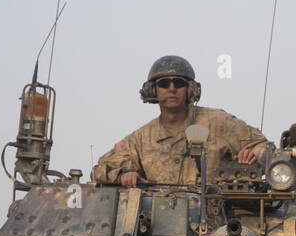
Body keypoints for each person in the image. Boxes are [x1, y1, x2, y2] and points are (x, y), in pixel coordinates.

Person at [91, 55, 270, 188]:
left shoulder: (219, 123)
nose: (171, 88)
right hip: (159, 223)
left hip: (219, 222)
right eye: (164, 84)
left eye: (178, 83)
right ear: (153, 91)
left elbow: (265, 147)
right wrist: (124, 173)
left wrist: (253, 157)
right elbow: (101, 168)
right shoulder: (141, 139)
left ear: (190, 90)